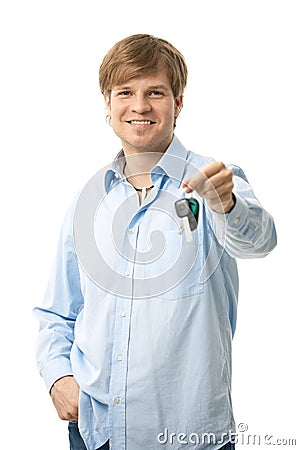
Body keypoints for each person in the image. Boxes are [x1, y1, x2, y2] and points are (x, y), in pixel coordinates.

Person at [34, 34, 277, 450]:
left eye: (155, 92)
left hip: (187, 436)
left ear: (178, 103)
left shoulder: (215, 179)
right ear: (107, 104)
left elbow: (259, 241)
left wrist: (227, 204)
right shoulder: (89, 199)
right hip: (97, 432)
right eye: (125, 92)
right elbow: (57, 309)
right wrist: (59, 376)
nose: (140, 106)